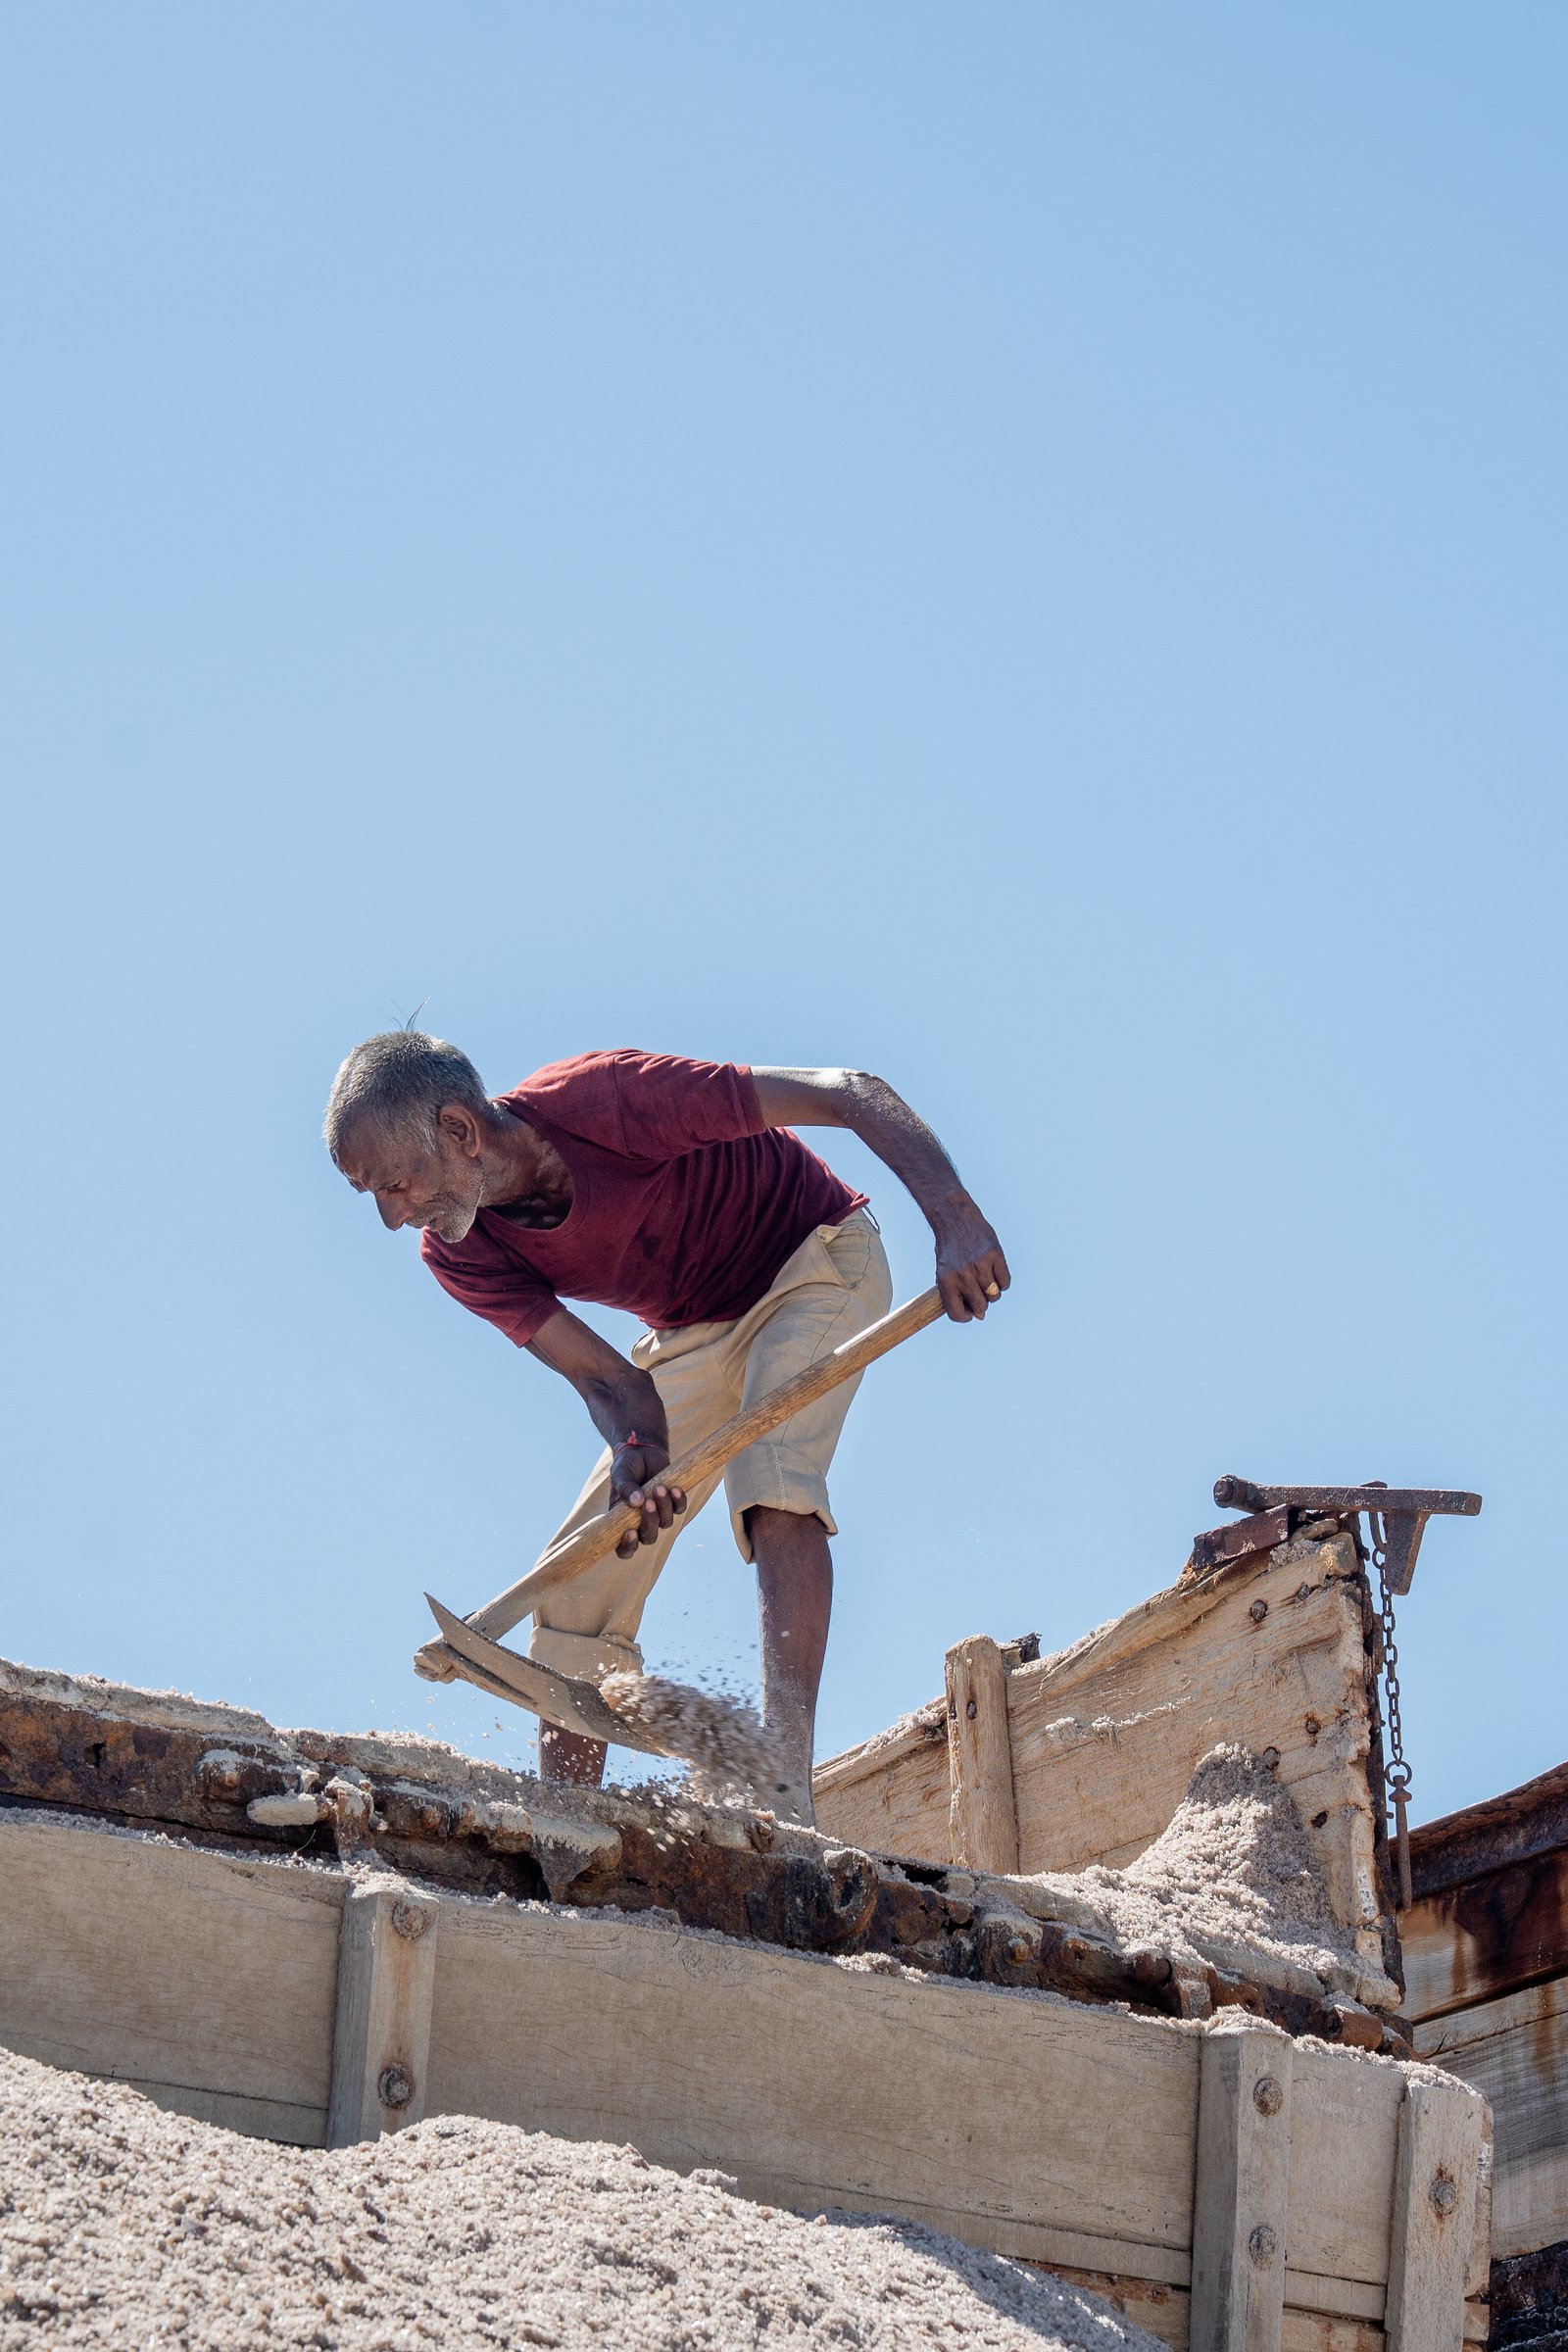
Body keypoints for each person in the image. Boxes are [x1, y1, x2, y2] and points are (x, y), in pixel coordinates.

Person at [325, 1035, 1008, 1812]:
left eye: (397, 1184)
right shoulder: (459, 1253)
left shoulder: (605, 1100)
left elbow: (850, 1090)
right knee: (587, 1561)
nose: (392, 1216)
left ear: (459, 1132)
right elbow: (610, 1380)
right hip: (688, 1330)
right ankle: (571, 1827)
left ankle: (783, 1788)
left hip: (814, 1261)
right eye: (372, 1197)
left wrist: (954, 1218)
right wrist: (637, 1451)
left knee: (771, 1475)